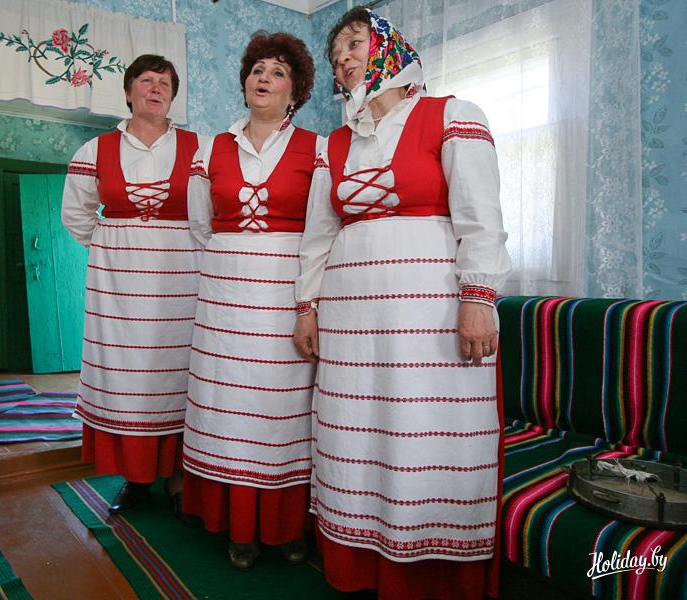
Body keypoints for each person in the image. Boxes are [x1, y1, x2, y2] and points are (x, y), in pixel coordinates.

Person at [293, 8, 511, 599]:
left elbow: (480, 217)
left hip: (429, 314)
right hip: (352, 318)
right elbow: (318, 236)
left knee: (424, 428)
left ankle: (430, 576)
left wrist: (478, 298)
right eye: (336, 51)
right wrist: (307, 307)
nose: (343, 57)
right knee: (358, 431)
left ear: (389, 47)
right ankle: (361, 567)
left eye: (354, 43)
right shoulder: (335, 144)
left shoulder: (451, 115)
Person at [182, 31, 323, 570]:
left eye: (278, 72)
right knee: (230, 407)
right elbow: (201, 225)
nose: (263, 78)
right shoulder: (210, 148)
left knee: (283, 408)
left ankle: (286, 525)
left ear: (296, 91)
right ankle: (239, 526)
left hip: (287, 293)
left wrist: (306, 299)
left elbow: (322, 230)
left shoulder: (318, 148)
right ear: (245, 82)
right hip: (225, 299)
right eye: (257, 69)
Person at [62, 54, 204, 518]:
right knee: (129, 375)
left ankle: (180, 476)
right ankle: (137, 477)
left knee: (179, 370)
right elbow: (76, 214)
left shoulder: (200, 149)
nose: (156, 88)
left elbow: (211, 213)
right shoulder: (95, 150)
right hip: (119, 286)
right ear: (128, 92)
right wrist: (115, 246)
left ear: (173, 96)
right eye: (146, 80)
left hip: (182, 280)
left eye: (165, 83)